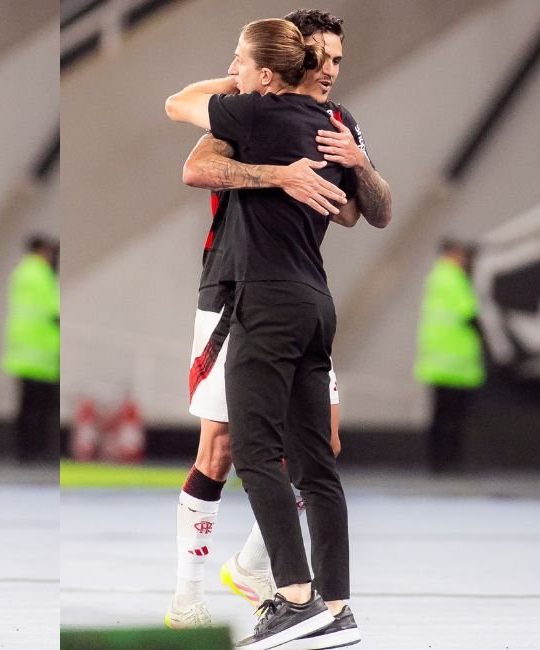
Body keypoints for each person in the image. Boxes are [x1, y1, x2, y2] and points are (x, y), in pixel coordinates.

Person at [163, 8, 391, 635]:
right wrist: (278, 171)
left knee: (291, 449)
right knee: (231, 447)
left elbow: (366, 212)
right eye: (321, 56)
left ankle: (280, 585)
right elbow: (198, 166)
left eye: (339, 60)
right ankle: (196, 597)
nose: (330, 69)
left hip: (274, 294)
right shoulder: (267, 112)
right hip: (248, 291)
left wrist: (358, 162)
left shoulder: (324, 121)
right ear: (295, 57)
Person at [414, 239, 484, 473]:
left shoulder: (436, 277)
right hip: (454, 364)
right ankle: (448, 462)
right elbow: (470, 313)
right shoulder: (452, 277)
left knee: (441, 416)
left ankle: (438, 462)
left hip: (440, 362)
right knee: (452, 418)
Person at [2, 234, 60, 463]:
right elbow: (53, 310)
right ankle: (36, 452)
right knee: (40, 407)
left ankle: (24, 452)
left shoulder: (21, 272)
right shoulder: (41, 273)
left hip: (23, 351)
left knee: (26, 406)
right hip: (40, 352)